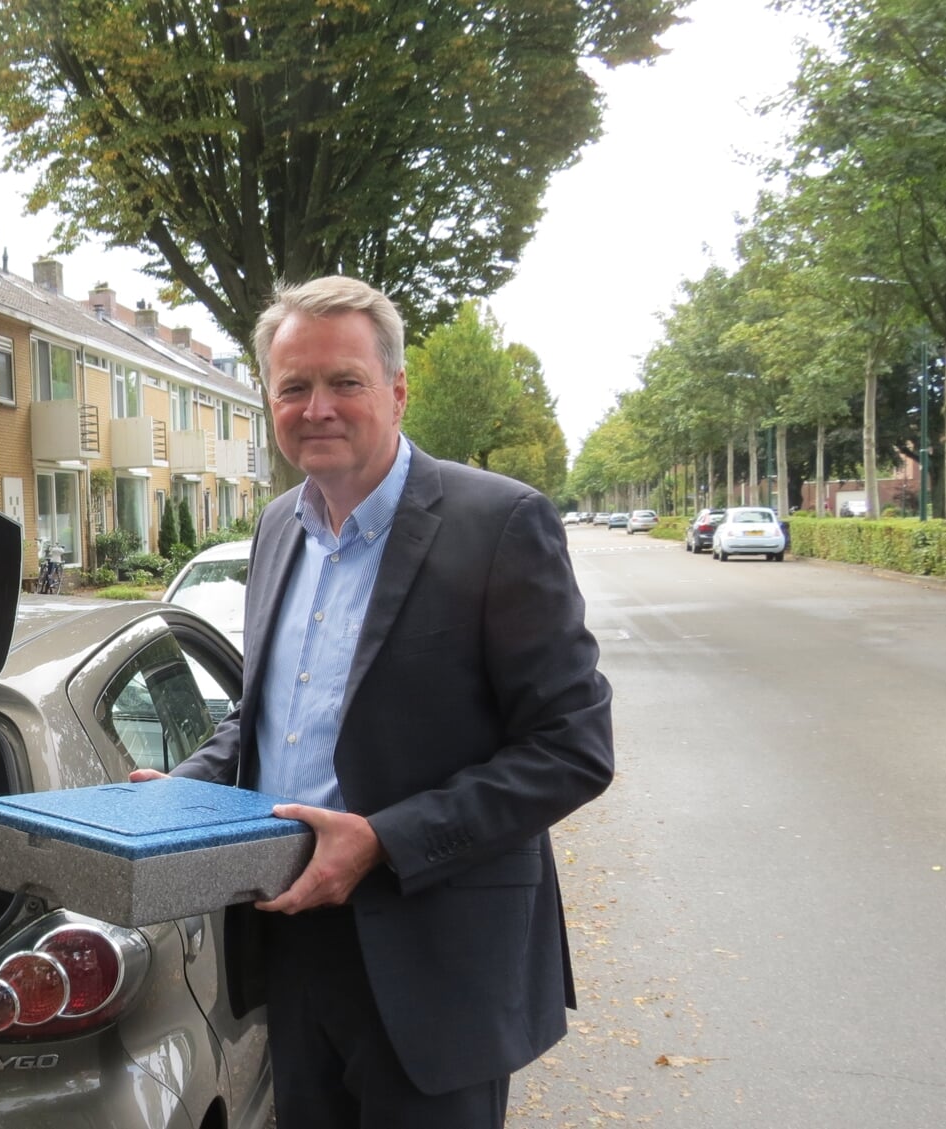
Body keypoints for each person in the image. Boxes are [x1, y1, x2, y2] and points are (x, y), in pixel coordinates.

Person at [133, 276, 613, 1128]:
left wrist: (384, 841)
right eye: (293, 387)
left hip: (438, 958)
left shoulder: (501, 524)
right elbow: (265, 715)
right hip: (290, 938)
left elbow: (573, 745)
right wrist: (185, 793)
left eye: (344, 381)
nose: (317, 407)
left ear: (395, 390)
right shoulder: (278, 526)